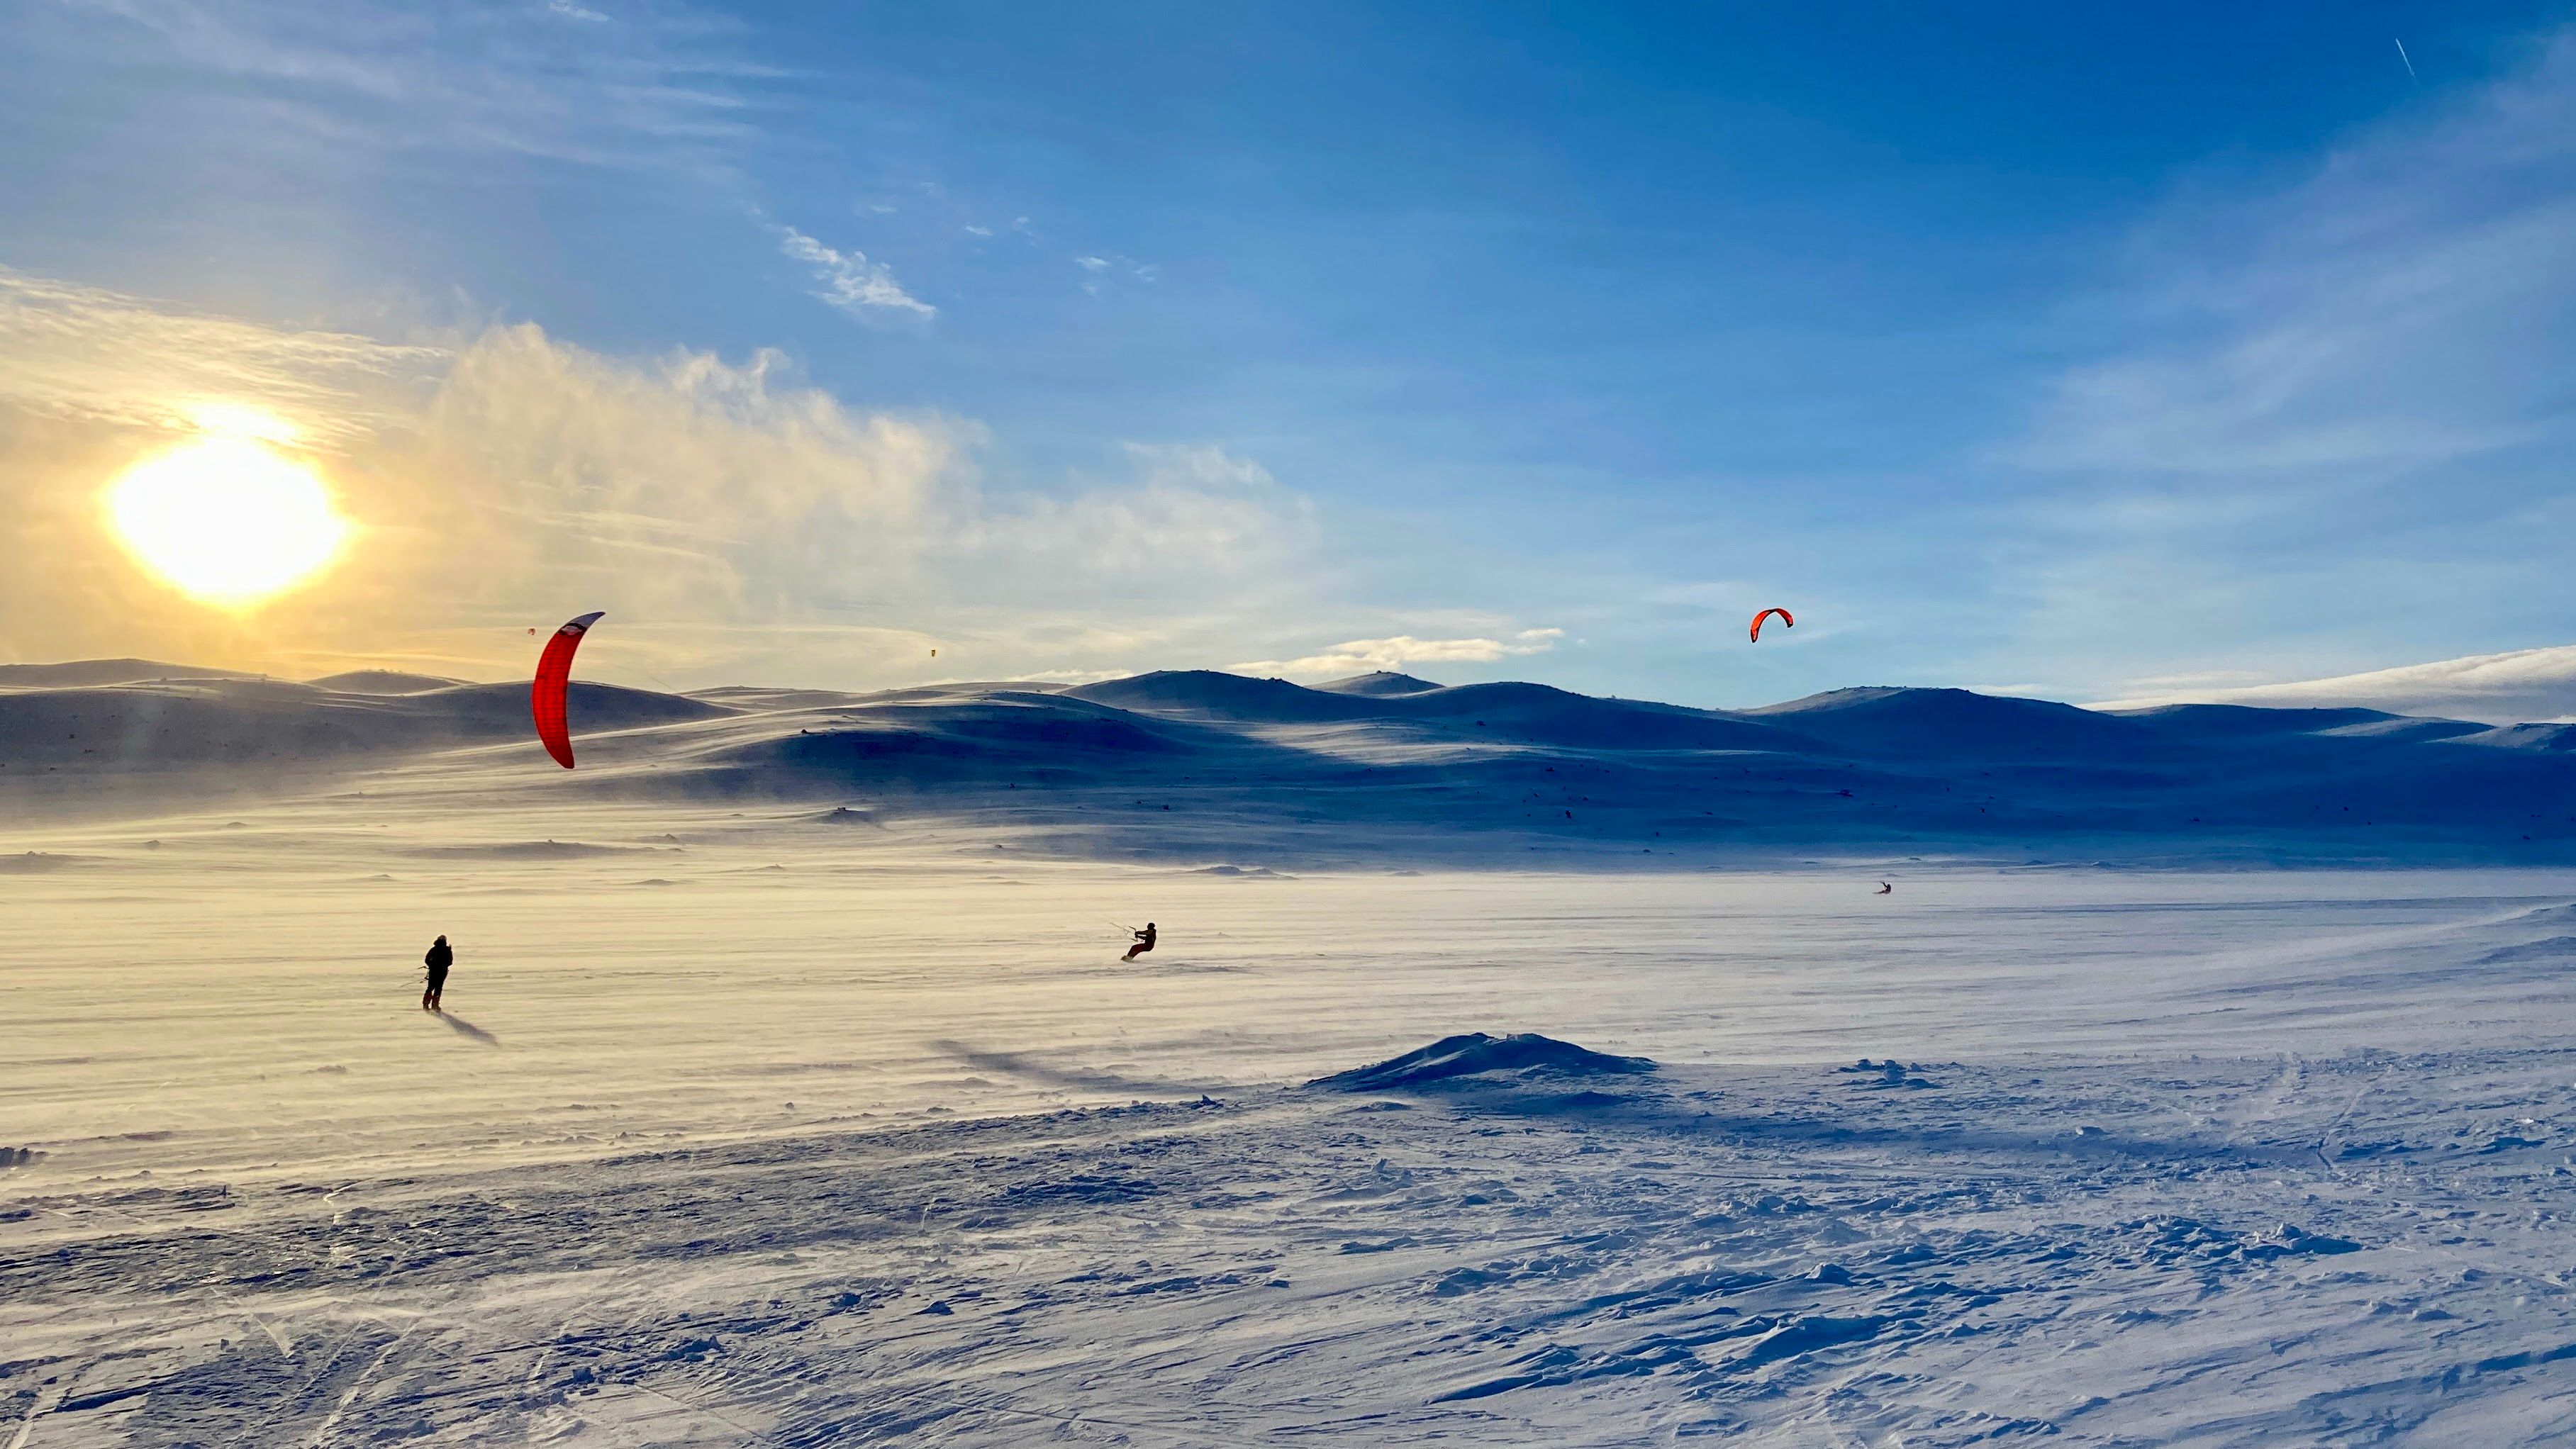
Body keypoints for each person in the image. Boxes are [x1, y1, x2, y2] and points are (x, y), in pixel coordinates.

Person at [423, 934, 453, 1012]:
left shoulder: (434, 949)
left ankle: (426, 1004)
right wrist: (443, 965)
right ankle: (435, 1005)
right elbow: (450, 962)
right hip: (442, 971)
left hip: (433, 970)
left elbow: (427, 959)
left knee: (430, 987)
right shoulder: (447, 950)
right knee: (438, 988)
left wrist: (431, 965)